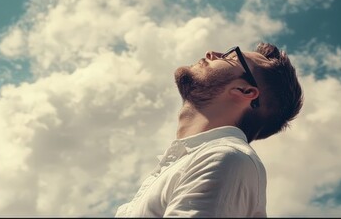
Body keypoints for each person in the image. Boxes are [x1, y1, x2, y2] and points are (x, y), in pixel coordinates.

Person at [115, 42, 304, 217]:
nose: (212, 53)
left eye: (232, 56)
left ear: (245, 91)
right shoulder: (191, 161)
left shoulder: (224, 159)